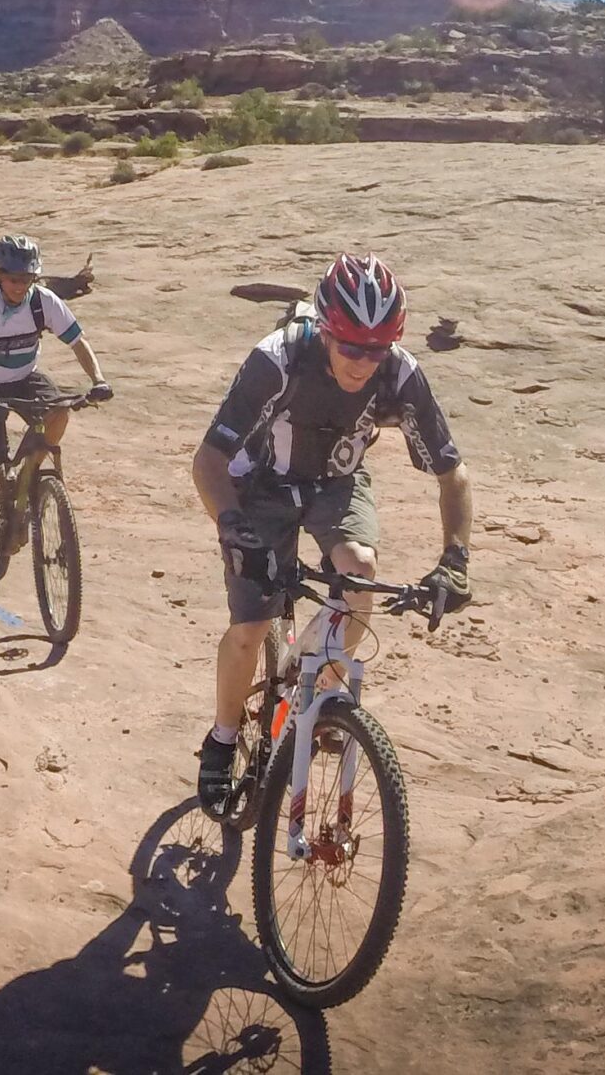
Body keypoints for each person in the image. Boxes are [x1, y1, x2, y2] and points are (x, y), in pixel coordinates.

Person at [190, 252, 473, 807]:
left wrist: (455, 559)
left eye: (376, 348)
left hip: (337, 481)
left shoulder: (399, 371)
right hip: (262, 482)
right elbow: (208, 461)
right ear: (324, 331)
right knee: (252, 624)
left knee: (361, 573)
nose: (363, 361)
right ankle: (223, 739)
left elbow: (452, 472)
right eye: (350, 346)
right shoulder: (278, 360)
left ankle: (319, 696)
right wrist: (233, 532)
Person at [0, 234, 111, 563]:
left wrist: (98, 380)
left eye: (27, 279)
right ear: (0, 276)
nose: (20, 287)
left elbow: (77, 342)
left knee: (60, 410)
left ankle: (26, 472)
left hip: (25, 378)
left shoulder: (42, 301)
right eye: (14, 280)